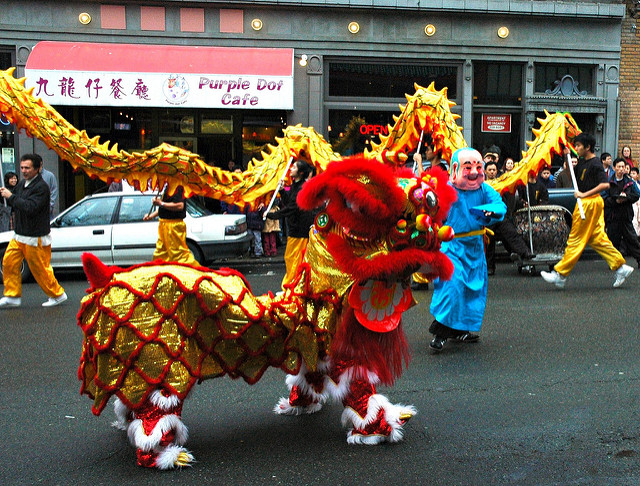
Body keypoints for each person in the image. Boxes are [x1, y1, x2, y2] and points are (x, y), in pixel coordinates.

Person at [429, 148, 506, 352]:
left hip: (475, 248)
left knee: (473, 290)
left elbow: (499, 205)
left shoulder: (483, 189)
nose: (474, 172)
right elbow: (429, 205)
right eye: (468, 167)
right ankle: (441, 332)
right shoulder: (445, 188)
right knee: (452, 286)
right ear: (455, 168)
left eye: (478, 167)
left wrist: (490, 212)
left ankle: (461, 329)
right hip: (452, 246)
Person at [541, 133, 634, 289]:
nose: (576, 148)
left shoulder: (596, 164)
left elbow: (605, 185)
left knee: (576, 238)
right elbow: (571, 172)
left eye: (578, 146)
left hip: (589, 203)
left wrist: (584, 194)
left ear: (587, 147)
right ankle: (620, 266)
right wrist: (567, 156)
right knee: (597, 238)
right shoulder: (583, 162)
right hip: (589, 203)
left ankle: (560, 274)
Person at [0, 153, 67, 308]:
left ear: (38, 168)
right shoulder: (23, 184)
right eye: (22, 167)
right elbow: (14, 201)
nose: (23, 171)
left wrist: (10, 196)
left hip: (35, 236)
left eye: (27, 168)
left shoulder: (42, 187)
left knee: (40, 269)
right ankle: (12, 295)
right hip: (20, 234)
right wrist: (6, 195)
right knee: (8, 262)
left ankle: (57, 294)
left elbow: (30, 207)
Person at [266, 160, 315, 288]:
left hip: (300, 231)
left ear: (301, 172)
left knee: (295, 260)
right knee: (291, 258)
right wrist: (282, 191)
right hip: (294, 229)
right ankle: (294, 285)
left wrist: (271, 215)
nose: (291, 169)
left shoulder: (302, 188)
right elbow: (289, 202)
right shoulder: (295, 186)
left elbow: (291, 208)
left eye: (294, 167)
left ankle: (292, 286)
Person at [484, 160, 534, 275]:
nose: (492, 172)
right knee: (489, 241)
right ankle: (490, 267)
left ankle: (525, 253)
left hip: (501, 215)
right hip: (487, 216)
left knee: (511, 233)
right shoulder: (482, 184)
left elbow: (508, 199)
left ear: (497, 171)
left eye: (494, 170)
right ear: (485, 171)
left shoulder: (501, 183)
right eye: (490, 170)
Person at [143, 185, 198, 265]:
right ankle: (163, 271)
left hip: (173, 226)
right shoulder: (168, 188)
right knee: (161, 251)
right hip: (164, 225)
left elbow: (180, 206)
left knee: (177, 252)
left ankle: (185, 271)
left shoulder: (178, 187)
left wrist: (160, 203)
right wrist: (151, 216)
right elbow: (164, 208)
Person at [603, 158, 640, 267]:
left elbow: (637, 195)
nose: (621, 169)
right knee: (613, 241)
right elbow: (604, 198)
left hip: (626, 215)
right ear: (614, 168)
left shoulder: (629, 182)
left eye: (623, 167)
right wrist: (615, 200)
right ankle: (614, 263)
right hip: (613, 216)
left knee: (632, 240)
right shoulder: (609, 182)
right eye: (618, 167)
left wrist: (627, 198)